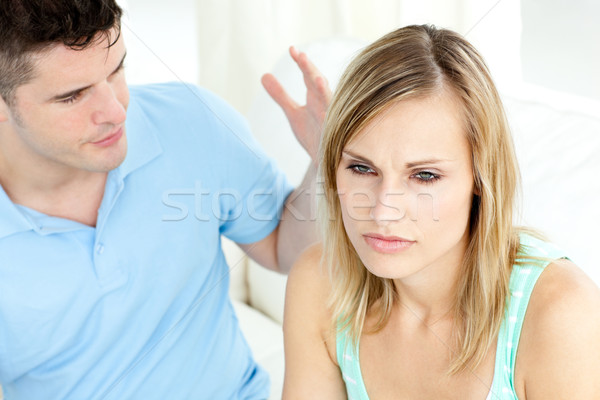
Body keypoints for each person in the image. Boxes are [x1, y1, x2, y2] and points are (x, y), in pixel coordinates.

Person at [0, 1, 329, 399]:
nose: (115, 111)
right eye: (73, 96)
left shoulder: (190, 120)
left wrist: (325, 164)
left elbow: (281, 248)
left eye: (116, 69)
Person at [283, 24, 600, 399]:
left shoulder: (559, 314)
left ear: (480, 178)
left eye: (424, 176)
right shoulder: (321, 285)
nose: (383, 212)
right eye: (362, 168)